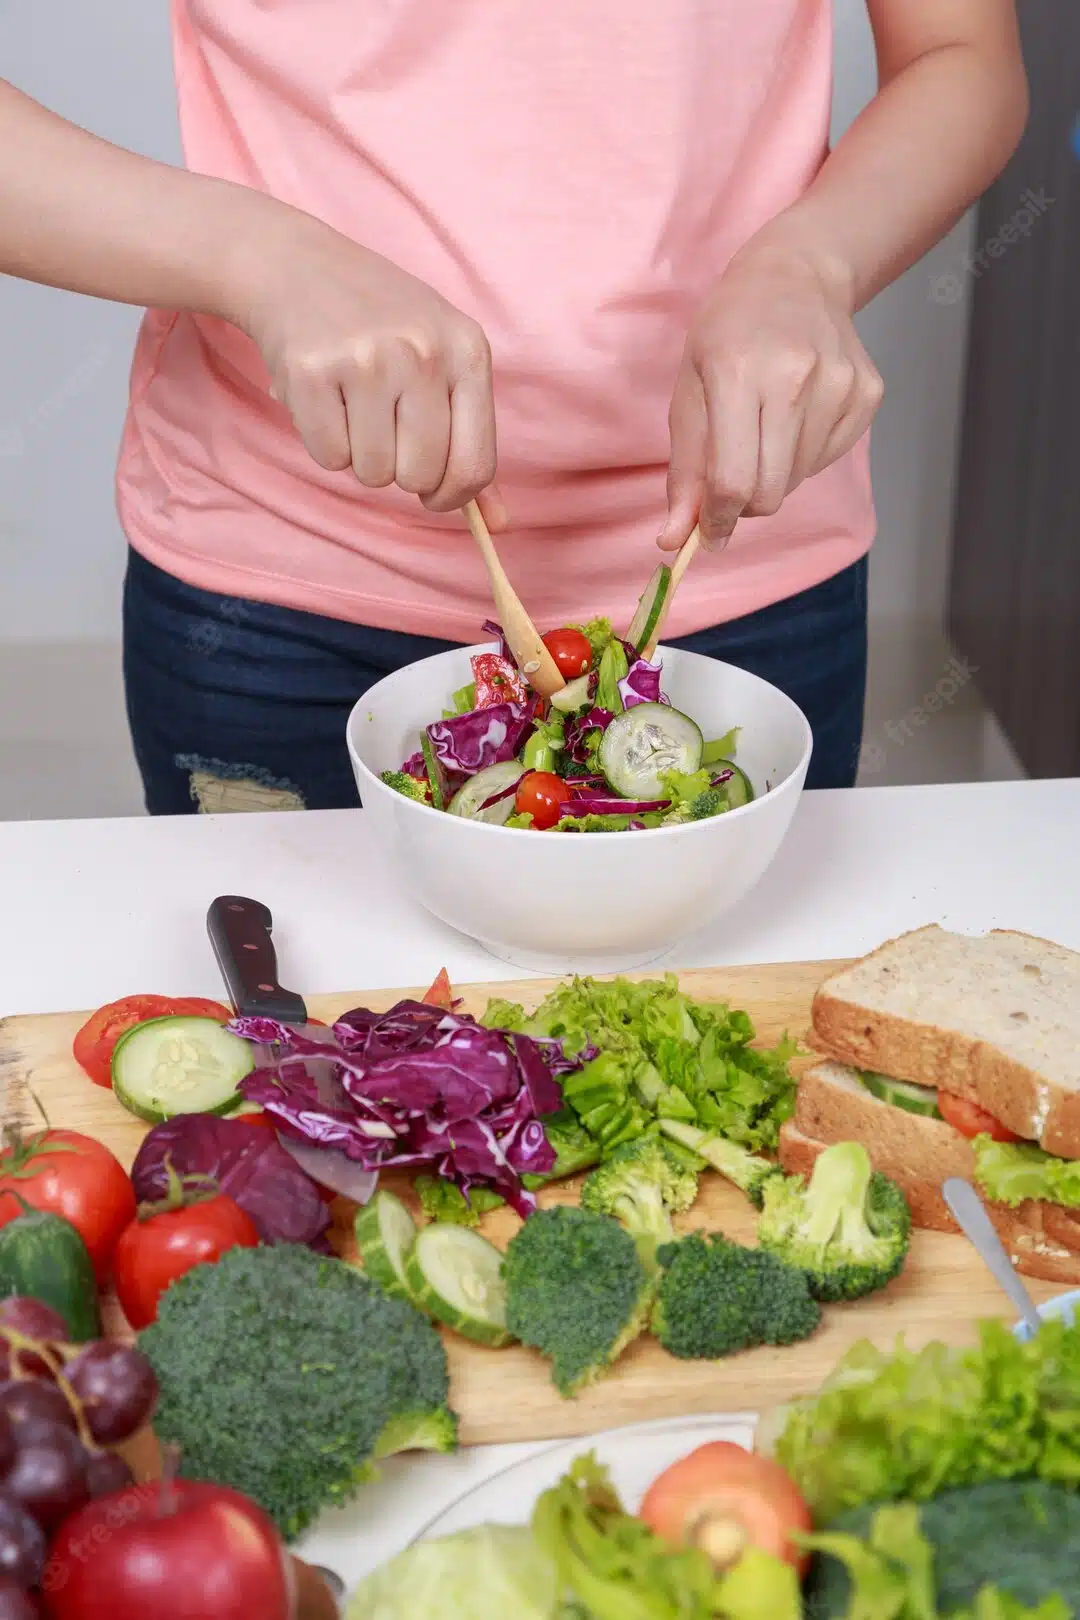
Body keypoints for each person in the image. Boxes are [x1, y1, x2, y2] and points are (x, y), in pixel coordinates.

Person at [1, 2, 1026, 811]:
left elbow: (959, 53)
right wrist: (257, 257)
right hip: (283, 584)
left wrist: (812, 264)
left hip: (742, 560)